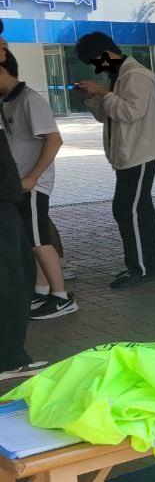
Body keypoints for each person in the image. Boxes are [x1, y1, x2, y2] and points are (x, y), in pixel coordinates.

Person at [74, 31, 155, 289]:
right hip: (129, 153)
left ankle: (138, 269)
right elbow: (106, 116)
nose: (96, 67)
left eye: (95, 61)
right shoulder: (116, 75)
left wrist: (103, 93)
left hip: (140, 153)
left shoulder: (135, 75)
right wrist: (91, 96)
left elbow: (130, 112)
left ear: (104, 54)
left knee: (126, 208)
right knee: (139, 208)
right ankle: (149, 267)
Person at [0, 54, 77, 320]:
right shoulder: (8, 102)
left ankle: (61, 297)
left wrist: (33, 177)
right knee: (31, 241)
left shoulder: (30, 99)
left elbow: (54, 140)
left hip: (32, 185)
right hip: (18, 184)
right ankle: (42, 290)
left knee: (39, 240)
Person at [0, 43, 47, 382]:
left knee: (18, 267)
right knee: (12, 274)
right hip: (4, 197)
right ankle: (9, 358)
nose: (3, 46)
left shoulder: (23, 99)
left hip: (9, 193)